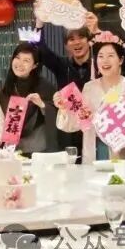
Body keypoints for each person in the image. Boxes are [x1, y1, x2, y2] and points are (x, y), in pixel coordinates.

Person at [55, 31, 125, 163]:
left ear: (121, 60)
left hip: (122, 155)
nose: (105, 61)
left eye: (110, 55)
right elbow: (76, 123)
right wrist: (64, 108)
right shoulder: (89, 87)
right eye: (100, 56)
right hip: (93, 152)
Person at [33, 20, 93, 151]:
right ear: (66, 46)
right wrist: (39, 24)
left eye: (81, 37)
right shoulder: (62, 65)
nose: (77, 42)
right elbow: (40, 48)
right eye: (71, 39)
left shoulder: (100, 65)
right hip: (69, 130)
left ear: (89, 41)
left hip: (94, 128)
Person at [0, 42, 55, 154]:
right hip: (12, 149)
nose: (20, 63)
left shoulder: (44, 85)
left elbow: (59, 113)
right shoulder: (8, 85)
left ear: (34, 66)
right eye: (17, 58)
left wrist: (42, 105)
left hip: (37, 149)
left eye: (26, 60)